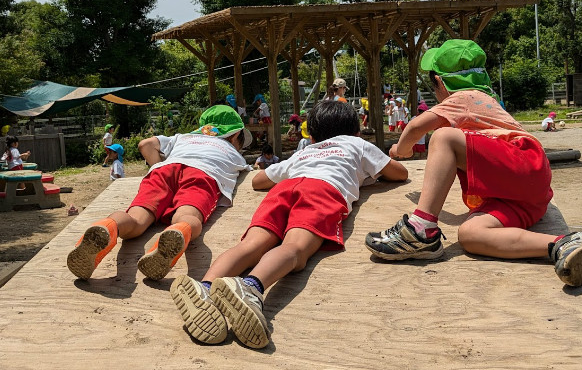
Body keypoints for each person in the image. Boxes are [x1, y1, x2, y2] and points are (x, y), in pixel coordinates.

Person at [169, 100, 408, 348]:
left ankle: (206, 287)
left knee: (253, 244)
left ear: (312, 136)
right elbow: (399, 173)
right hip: (323, 190)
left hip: (285, 189)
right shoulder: (357, 144)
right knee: (295, 249)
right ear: (355, 132)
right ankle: (251, 286)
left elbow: (259, 180)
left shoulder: (304, 153)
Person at [365, 39, 582, 288]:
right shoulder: (486, 98)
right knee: (470, 234)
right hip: (522, 195)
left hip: (521, 160)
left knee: (443, 137)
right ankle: (563, 244)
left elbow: (415, 127)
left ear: (440, 83)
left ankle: (420, 230)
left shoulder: (466, 98)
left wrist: (399, 150)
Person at [66, 105, 253, 281]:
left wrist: (158, 168)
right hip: (202, 173)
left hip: (164, 170)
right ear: (235, 135)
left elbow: (145, 144)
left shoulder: (183, 138)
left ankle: (108, 226)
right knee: (187, 216)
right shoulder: (233, 154)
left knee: (136, 220)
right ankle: (177, 231)